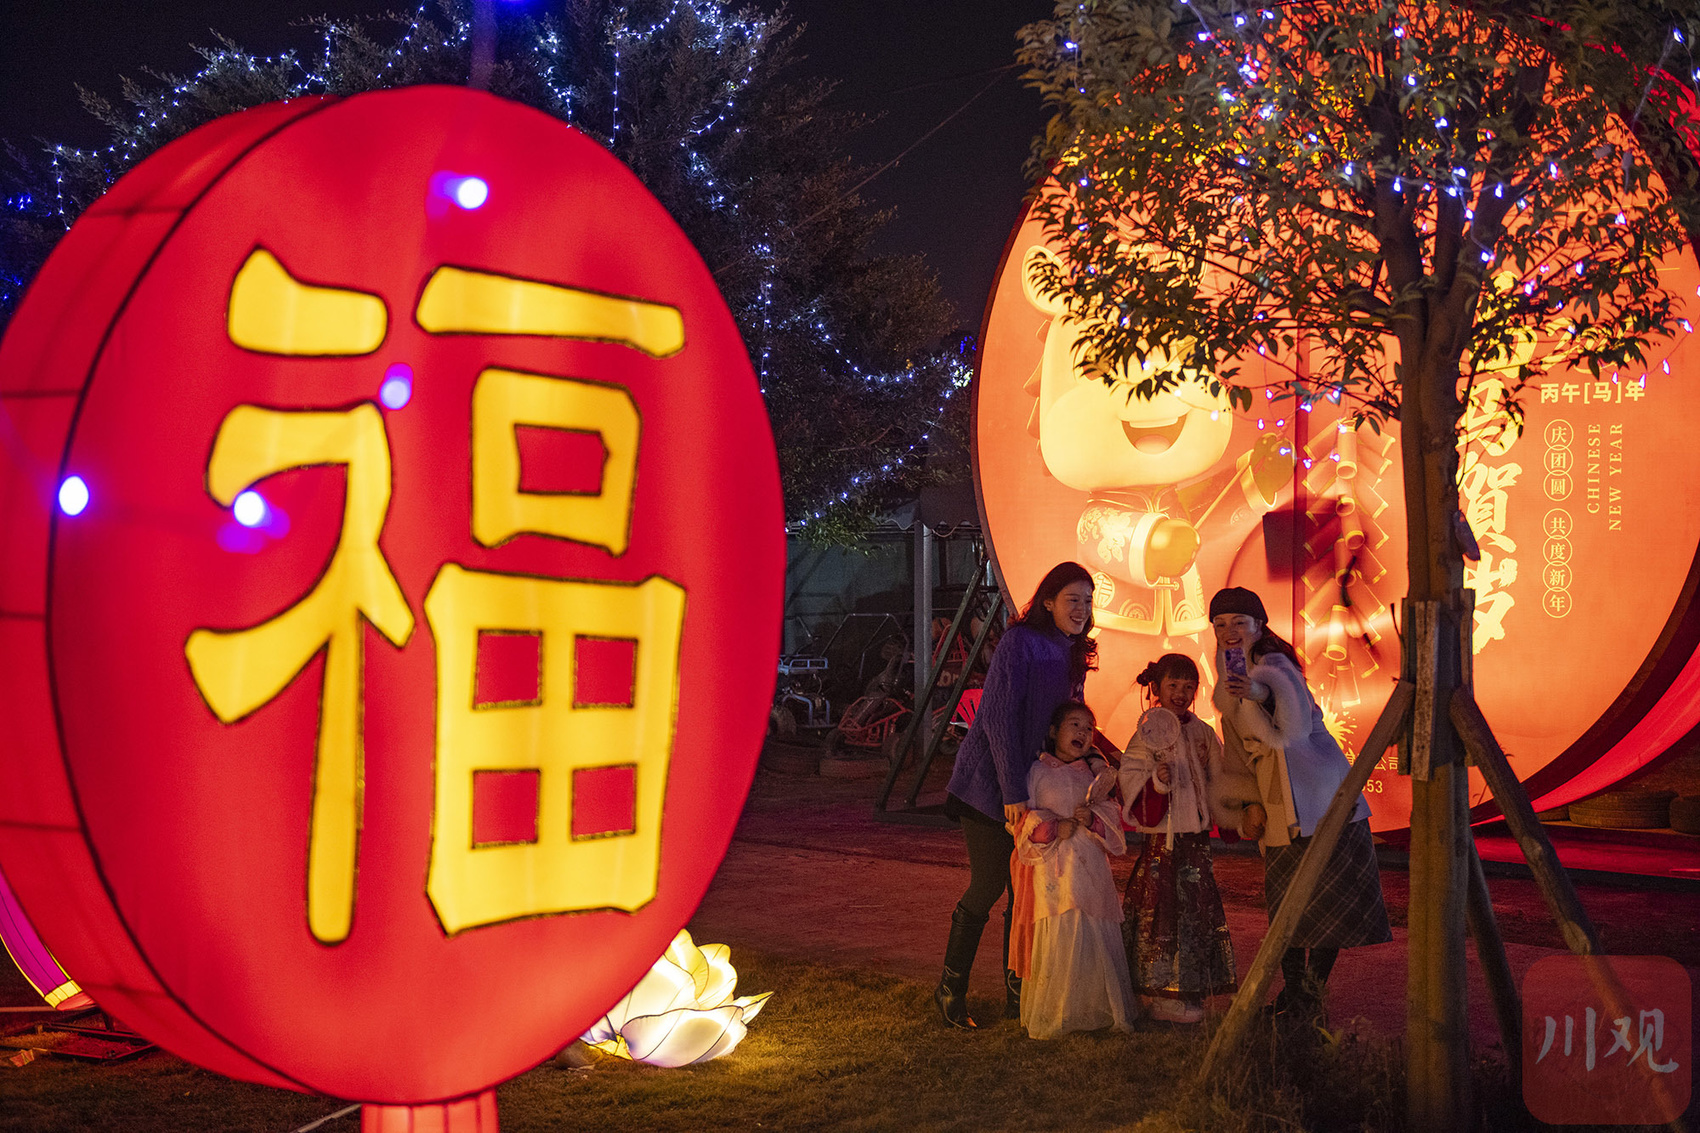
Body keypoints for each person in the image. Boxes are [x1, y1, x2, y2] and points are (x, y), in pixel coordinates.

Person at [1208, 586, 1392, 1024]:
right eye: (1220, 624)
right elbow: (1237, 753)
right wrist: (1246, 803)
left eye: (1239, 622)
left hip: (1322, 796)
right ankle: (1296, 995)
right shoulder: (1227, 678)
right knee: (1286, 904)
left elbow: (1291, 724)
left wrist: (1255, 692)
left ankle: (1307, 996)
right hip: (1279, 804)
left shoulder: (1274, 663)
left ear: (1258, 625)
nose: (1229, 632)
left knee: (1329, 905)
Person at [935, 562, 1097, 1029]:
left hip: (1033, 788)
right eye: (1072, 599)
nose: (1082, 609)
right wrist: (1011, 791)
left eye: (1088, 601)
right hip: (989, 788)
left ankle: (1019, 995)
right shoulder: (1020, 642)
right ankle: (950, 991)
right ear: (1048, 601)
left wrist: (1097, 759)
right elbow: (998, 719)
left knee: (1023, 893)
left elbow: (1068, 720)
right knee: (988, 884)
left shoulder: (1071, 651)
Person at [1118, 654, 1251, 1023]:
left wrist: (1235, 814)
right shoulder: (1147, 733)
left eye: (1188, 686)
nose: (1180, 693)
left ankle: (1189, 992)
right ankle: (1158, 993)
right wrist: (1156, 780)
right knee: (1159, 915)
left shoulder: (1203, 732)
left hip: (1195, 844)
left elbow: (1219, 777)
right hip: (1162, 844)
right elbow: (1130, 774)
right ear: (1156, 688)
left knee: (1194, 915)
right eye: (1173, 685)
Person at [1016, 701, 1135, 1038]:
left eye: (1089, 728)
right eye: (1075, 725)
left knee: (1093, 929)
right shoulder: (1036, 773)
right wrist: (1054, 827)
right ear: (1054, 731)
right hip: (1054, 870)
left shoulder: (1095, 776)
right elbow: (1023, 822)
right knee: (1060, 931)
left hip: (1090, 867)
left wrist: (1093, 819)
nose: (1083, 732)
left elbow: (1112, 818)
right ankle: (1058, 1012)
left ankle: (1098, 1008)